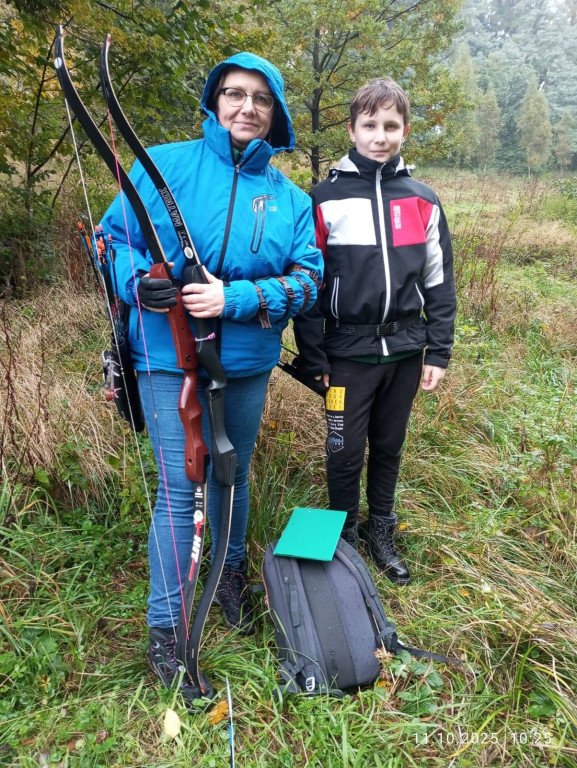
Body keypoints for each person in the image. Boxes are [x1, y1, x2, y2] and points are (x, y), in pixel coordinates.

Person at [99, 52, 322, 704]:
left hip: (246, 362)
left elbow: (307, 282)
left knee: (233, 471)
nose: (246, 106)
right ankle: (167, 629)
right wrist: (137, 283)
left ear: (274, 112)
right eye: (233, 93)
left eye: (259, 97)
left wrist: (238, 300)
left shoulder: (290, 200)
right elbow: (112, 240)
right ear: (213, 101)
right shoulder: (164, 164)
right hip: (169, 358)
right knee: (181, 487)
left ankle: (226, 572)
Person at [293, 77, 456, 586]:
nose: (380, 136)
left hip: (406, 350)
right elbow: (307, 286)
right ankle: (341, 540)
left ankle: (381, 531)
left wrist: (439, 351)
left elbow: (439, 281)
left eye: (390, 126)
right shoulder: (322, 200)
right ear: (352, 129)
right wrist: (313, 358)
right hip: (346, 355)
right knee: (343, 450)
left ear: (404, 130)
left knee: (389, 445)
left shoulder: (424, 201)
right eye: (370, 125)